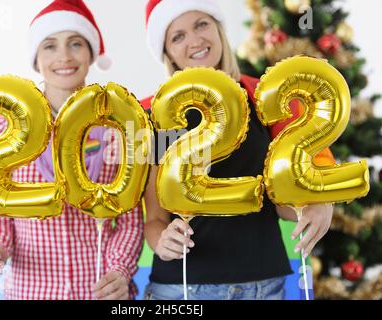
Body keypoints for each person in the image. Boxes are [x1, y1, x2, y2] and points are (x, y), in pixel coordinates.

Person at [141, 0, 335, 300]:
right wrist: (162, 242)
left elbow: (283, 203)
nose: (194, 40)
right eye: (177, 36)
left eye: (201, 24)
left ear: (219, 29)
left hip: (264, 286)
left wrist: (318, 201)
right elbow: (155, 219)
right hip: (184, 290)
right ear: (168, 53)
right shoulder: (160, 117)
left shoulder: (265, 101)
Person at [0, 0, 143, 300]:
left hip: (100, 292)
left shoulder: (118, 122)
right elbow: (0, 211)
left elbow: (130, 216)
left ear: (91, 52)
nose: (64, 56)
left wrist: (118, 271)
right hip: (30, 291)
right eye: (50, 46)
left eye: (76, 43)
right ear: (36, 58)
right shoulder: (10, 128)